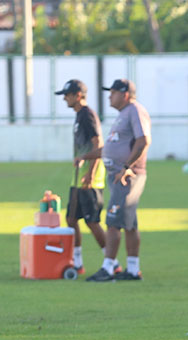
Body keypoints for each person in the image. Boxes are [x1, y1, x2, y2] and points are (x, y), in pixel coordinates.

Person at [79, 79, 151, 282]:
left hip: (127, 176)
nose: (109, 96)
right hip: (118, 175)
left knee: (113, 221)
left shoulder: (135, 110)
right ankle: (133, 269)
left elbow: (143, 141)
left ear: (125, 94)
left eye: (113, 93)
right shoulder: (123, 114)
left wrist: (127, 168)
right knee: (129, 224)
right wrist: (86, 156)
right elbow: (111, 147)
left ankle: (108, 269)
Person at [55, 79, 109, 275]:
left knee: (92, 221)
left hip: (89, 177)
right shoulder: (79, 116)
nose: (64, 99)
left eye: (67, 95)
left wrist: (91, 172)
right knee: (71, 218)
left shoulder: (87, 115)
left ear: (78, 95)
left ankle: (111, 262)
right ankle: (77, 263)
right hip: (78, 177)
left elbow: (98, 144)